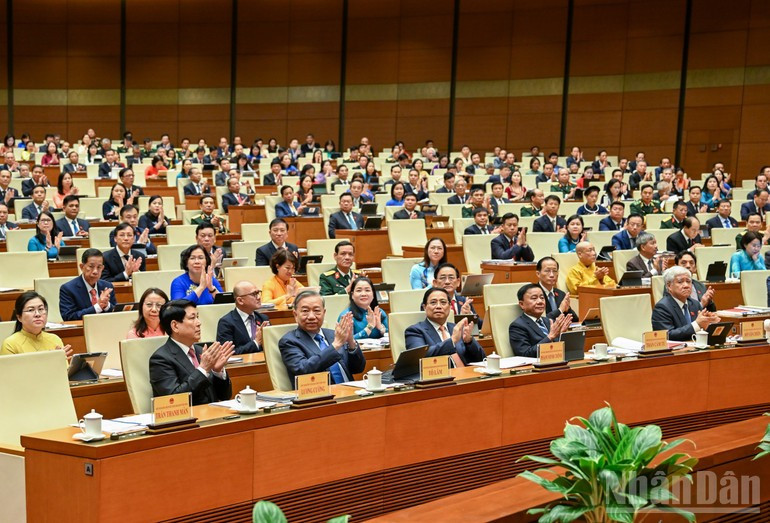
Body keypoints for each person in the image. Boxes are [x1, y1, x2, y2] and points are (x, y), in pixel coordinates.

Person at [150, 299, 234, 406]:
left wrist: (217, 372)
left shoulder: (201, 351)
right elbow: (173, 400)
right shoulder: (160, 359)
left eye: (197, 317)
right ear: (175, 326)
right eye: (192, 318)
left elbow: (224, 396)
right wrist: (203, 369)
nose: (199, 323)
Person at [278, 290, 365, 384]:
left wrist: (351, 342)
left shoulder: (333, 335)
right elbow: (303, 369)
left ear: (324, 313)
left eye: (316, 311)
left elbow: (358, 369)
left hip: (350, 391)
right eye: (305, 311)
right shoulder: (289, 341)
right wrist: (335, 345)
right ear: (295, 314)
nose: (311, 316)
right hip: (321, 395)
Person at [404, 287, 484, 366]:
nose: (438, 306)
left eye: (443, 302)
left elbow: (481, 359)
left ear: (449, 307)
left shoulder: (456, 328)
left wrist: (469, 341)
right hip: (439, 377)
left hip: (466, 375)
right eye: (433, 303)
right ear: (424, 307)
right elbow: (419, 357)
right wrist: (452, 341)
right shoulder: (415, 331)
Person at [651, 266, 721, 341]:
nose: (686, 286)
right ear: (669, 286)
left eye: (688, 281)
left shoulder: (695, 304)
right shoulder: (662, 307)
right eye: (680, 282)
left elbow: (702, 330)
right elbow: (667, 335)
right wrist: (697, 324)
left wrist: (710, 323)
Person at [1, 291, 73, 357]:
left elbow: (64, 370)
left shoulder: (55, 340)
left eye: (41, 309)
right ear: (19, 317)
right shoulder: (10, 344)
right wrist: (50, 360)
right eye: (31, 310)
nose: (37, 314)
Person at [508, 284, 572, 358]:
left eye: (542, 298)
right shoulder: (517, 326)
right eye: (534, 298)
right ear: (522, 304)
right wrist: (550, 337)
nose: (540, 301)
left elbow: (557, 348)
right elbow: (524, 355)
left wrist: (561, 335)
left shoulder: (549, 321)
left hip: (555, 361)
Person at [60, 249, 116, 321]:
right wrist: (97, 307)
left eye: (99, 267)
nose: (95, 271)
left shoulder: (107, 286)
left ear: (102, 268)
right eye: (91, 266)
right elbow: (68, 316)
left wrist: (107, 305)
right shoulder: (68, 289)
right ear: (82, 267)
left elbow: (115, 312)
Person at [216, 280, 270, 354]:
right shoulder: (226, 323)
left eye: (258, 293)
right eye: (254, 294)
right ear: (240, 300)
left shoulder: (263, 319)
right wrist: (256, 343)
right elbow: (227, 353)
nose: (259, 297)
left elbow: (272, 346)